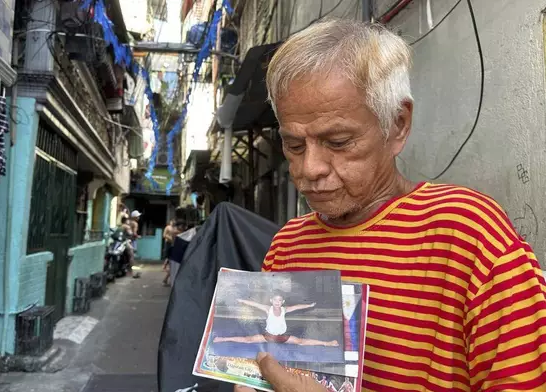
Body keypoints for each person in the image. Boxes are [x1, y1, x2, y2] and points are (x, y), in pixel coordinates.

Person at [235, 19, 546, 392]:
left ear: (397, 125)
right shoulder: (287, 246)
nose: (308, 169)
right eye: (294, 145)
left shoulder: (469, 235)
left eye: (337, 141)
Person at [213, 293, 338, 347]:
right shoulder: (268, 308)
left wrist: (309, 306)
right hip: (268, 336)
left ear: (282, 302)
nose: (277, 302)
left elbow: (297, 306)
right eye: (275, 300)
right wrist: (242, 301)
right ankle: (222, 339)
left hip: (282, 337)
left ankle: (328, 343)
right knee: (247, 340)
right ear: (271, 301)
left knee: (301, 341)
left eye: (280, 300)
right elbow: (254, 304)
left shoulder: (284, 309)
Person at [162, 219, 176, 286]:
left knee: (170, 257)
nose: (173, 222)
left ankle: (166, 278)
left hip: (173, 244)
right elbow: (164, 235)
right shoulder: (168, 227)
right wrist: (170, 238)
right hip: (168, 243)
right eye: (172, 221)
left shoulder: (175, 228)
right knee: (168, 256)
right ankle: (164, 266)